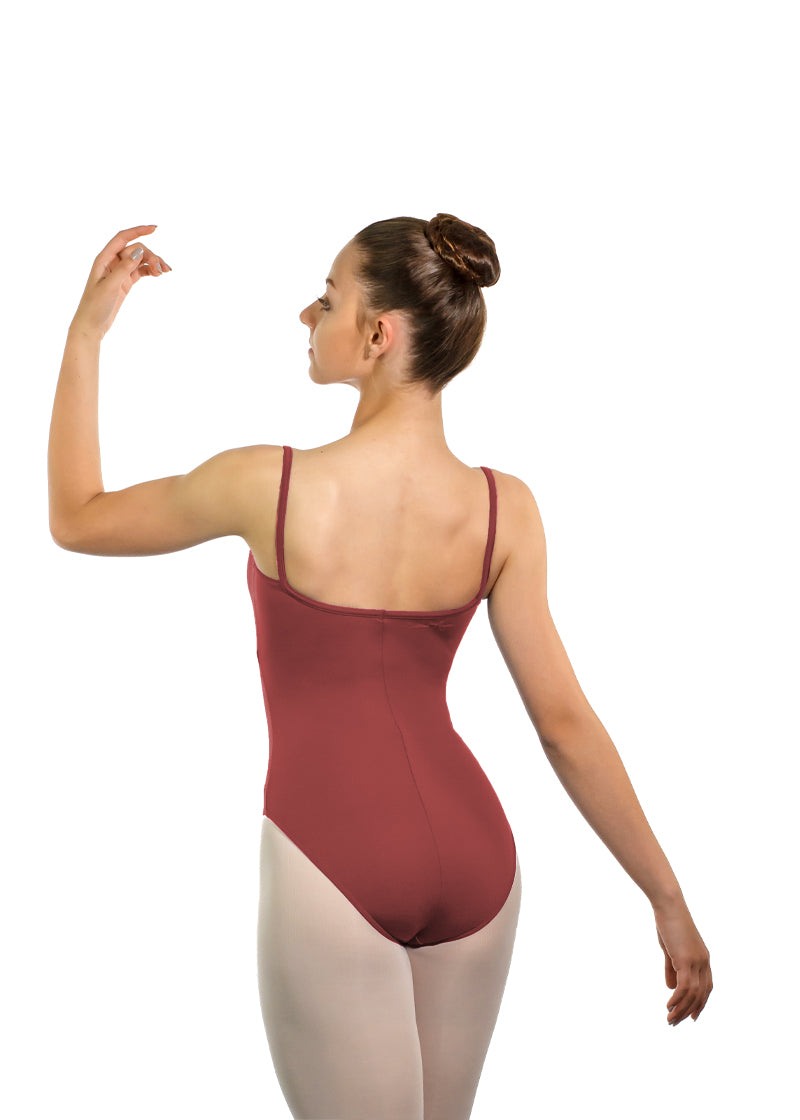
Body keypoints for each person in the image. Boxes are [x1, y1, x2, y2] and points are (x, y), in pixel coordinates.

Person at [48, 214, 712, 1120]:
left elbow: (78, 516)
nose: (305, 315)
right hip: (478, 860)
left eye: (327, 300)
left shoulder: (268, 485)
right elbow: (564, 724)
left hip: (332, 852)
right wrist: (667, 899)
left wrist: (87, 335)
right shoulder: (503, 509)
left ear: (377, 335)